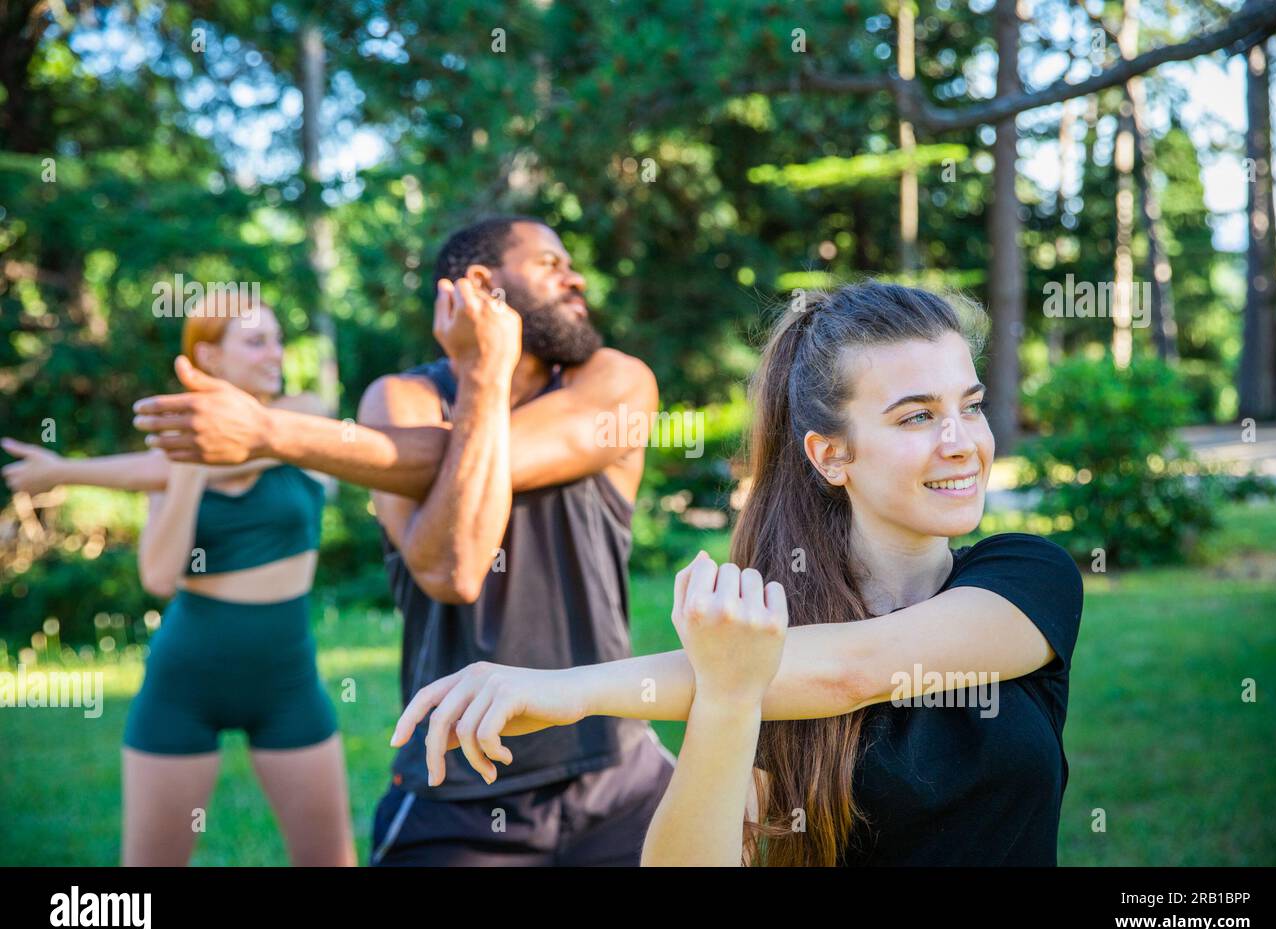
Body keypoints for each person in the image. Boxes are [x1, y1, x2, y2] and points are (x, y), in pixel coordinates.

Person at [389, 279, 1086, 866]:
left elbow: (858, 670)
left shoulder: (1026, 578)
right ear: (830, 456)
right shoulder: (748, 643)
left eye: (970, 406)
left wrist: (575, 690)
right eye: (917, 418)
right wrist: (724, 700)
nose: (962, 443)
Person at [131, 217, 677, 866]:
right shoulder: (400, 397)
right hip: (453, 786)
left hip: (621, 776)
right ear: (481, 286)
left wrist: (270, 434)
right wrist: (482, 376)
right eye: (550, 265)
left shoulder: (615, 380)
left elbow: (494, 455)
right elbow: (455, 569)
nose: (576, 277)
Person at [6, 291, 356, 866]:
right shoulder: (176, 452)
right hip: (186, 680)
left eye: (276, 338)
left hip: (288, 680)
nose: (275, 353)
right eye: (255, 340)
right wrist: (184, 471)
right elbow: (159, 577)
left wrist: (73, 470)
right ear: (210, 359)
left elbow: (251, 446)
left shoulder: (304, 415)